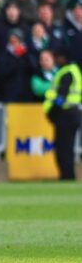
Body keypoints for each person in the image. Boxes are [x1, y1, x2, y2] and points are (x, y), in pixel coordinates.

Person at [43, 52, 81, 180]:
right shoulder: (74, 70)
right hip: (72, 113)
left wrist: (52, 112)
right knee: (67, 147)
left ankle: (67, 176)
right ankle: (67, 175)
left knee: (63, 148)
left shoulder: (66, 72)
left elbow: (61, 96)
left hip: (66, 114)